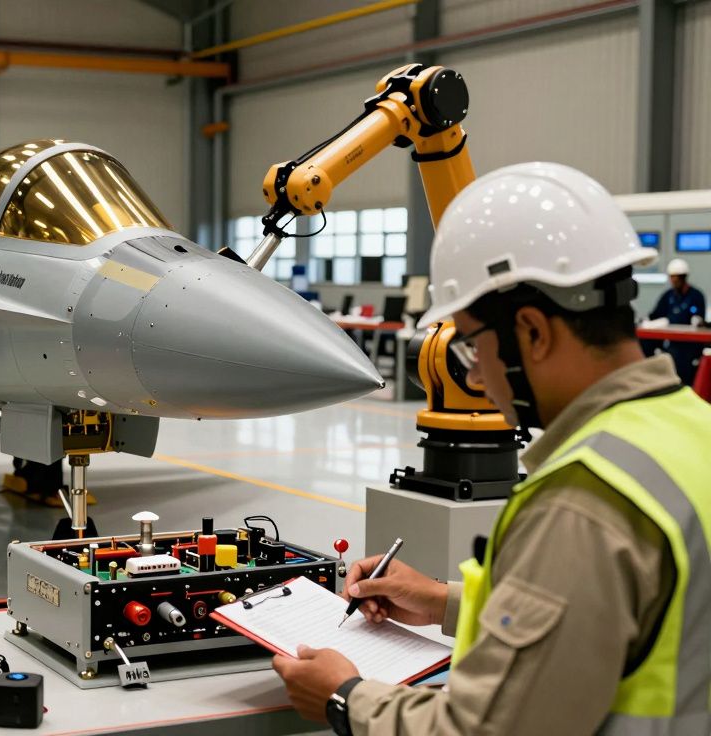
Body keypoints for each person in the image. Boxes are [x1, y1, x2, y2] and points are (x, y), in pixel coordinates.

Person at [272, 163, 710, 735]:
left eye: (473, 349)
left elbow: (488, 730)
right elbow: (609, 619)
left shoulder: (585, 500)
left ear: (532, 332)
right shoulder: (693, 429)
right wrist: (440, 600)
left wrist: (345, 699)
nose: (477, 377)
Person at [643, 257, 706, 385]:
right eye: (672, 277)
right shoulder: (668, 296)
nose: (674, 281)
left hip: (689, 346)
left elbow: (699, 320)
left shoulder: (696, 296)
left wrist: (697, 321)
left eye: (677, 277)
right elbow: (655, 315)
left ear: (684, 277)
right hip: (670, 343)